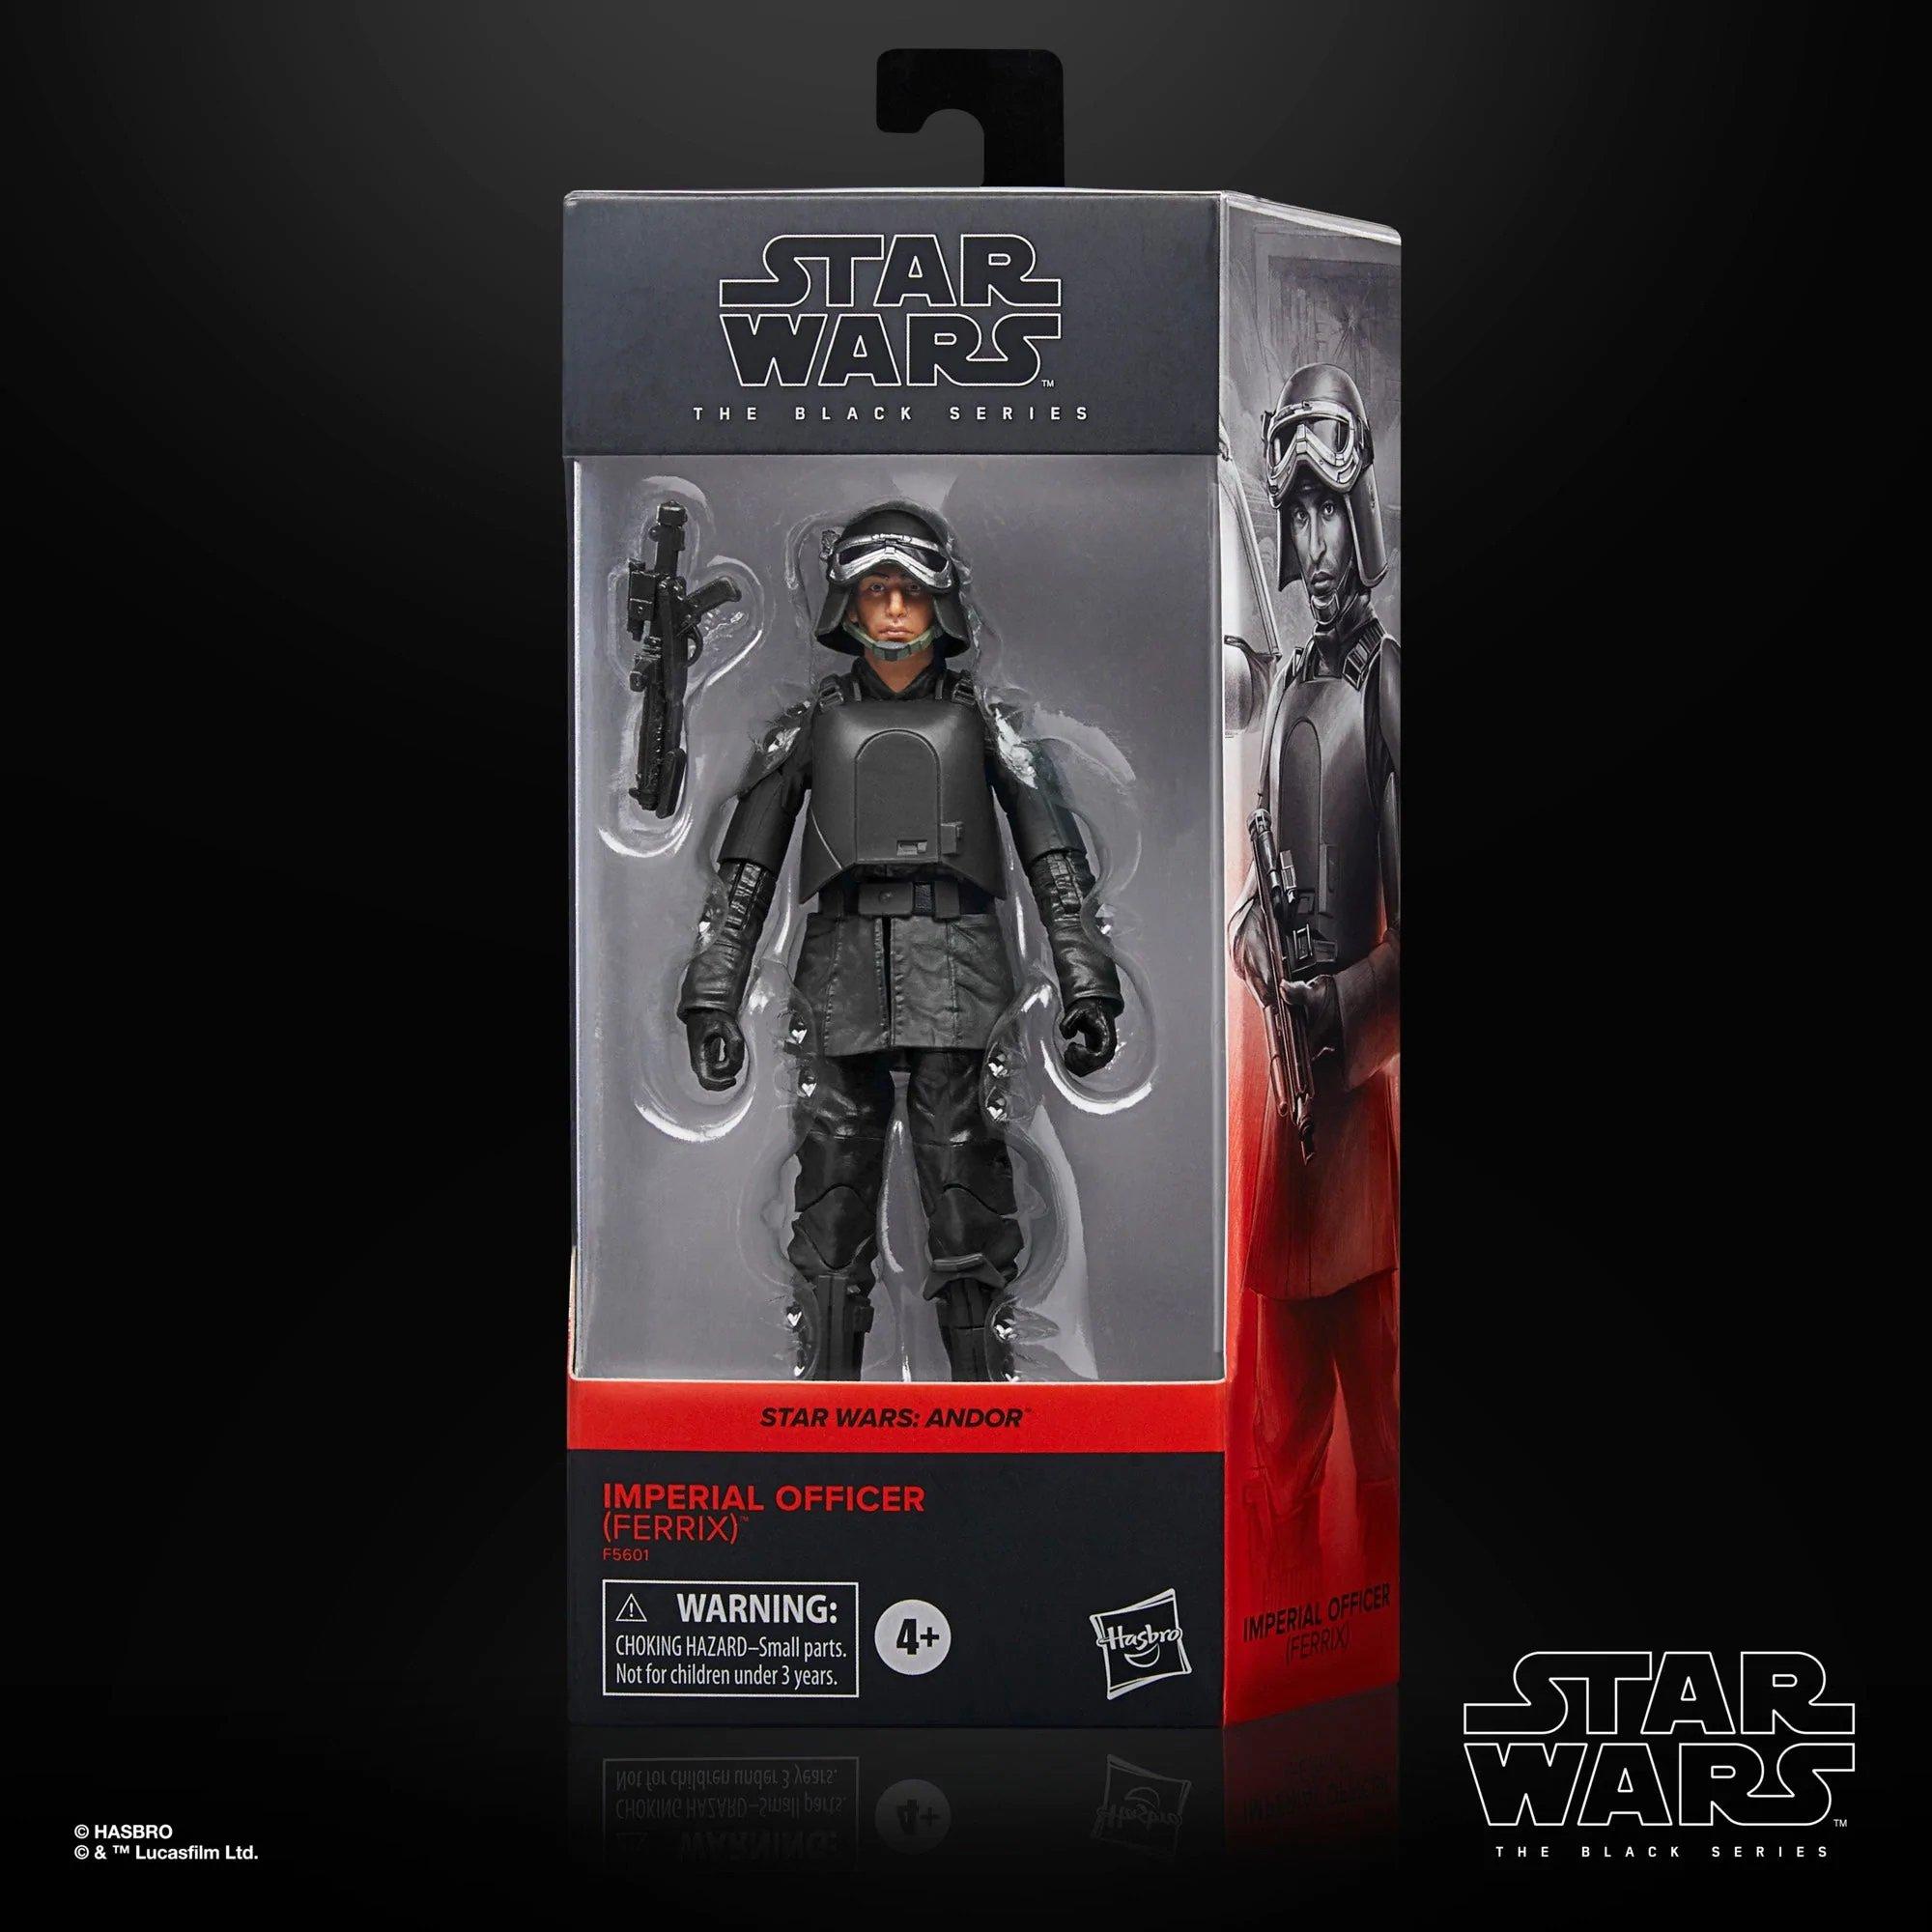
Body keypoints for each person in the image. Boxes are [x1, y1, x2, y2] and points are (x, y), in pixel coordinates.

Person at [679, 505, 1122, 1381]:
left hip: (959, 973)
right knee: (830, 1206)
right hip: (838, 977)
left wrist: (1086, 979)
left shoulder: (988, 725)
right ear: (846, 603)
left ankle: (983, 1408)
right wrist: (713, 991)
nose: (891, 610)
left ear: (940, 604)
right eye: (875, 591)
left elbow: (1057, 861)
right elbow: (745, 873)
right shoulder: (807, 727)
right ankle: (825, 1412)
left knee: (968, 1199)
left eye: (909, 592)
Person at [1232, 365, 1401, 1589]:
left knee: (1382, 1438)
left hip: (1348, 1130)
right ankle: (1278, 1620)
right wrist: (1253, 931)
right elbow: (1269, 872)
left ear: (1360, 518)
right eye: (1294, 517)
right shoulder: (1291, 681)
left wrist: (1333, 1013)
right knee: (1274, 1441)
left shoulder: (1385, 685)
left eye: (1326, 513)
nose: (1312, 545)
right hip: (1282, 1135)